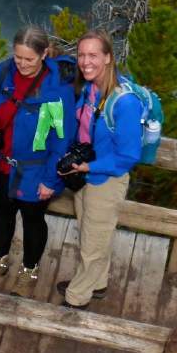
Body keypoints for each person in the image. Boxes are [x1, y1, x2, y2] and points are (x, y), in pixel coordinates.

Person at [0, 26, 76, 297]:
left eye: (29, 59)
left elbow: (61, 138)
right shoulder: (3, 73)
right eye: (18, 57)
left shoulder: (56, 87)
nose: (22, 64)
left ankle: (29, 269)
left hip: (36, 169)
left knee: (33, 219)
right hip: (1, 161)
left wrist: (51, 178)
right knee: (2, 213)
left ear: (44, 54)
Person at [57, 29, 142, 309]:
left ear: (108, 58)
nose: (85, 61)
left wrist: (89, 165)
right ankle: (97, 283)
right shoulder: (91, 88)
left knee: (91, 245)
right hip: (86, 173)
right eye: (81, 55)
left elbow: (128, 155)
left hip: (106, 180)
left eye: (93, 55)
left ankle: (76, 299)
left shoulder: (124, 102)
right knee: (92, 233)